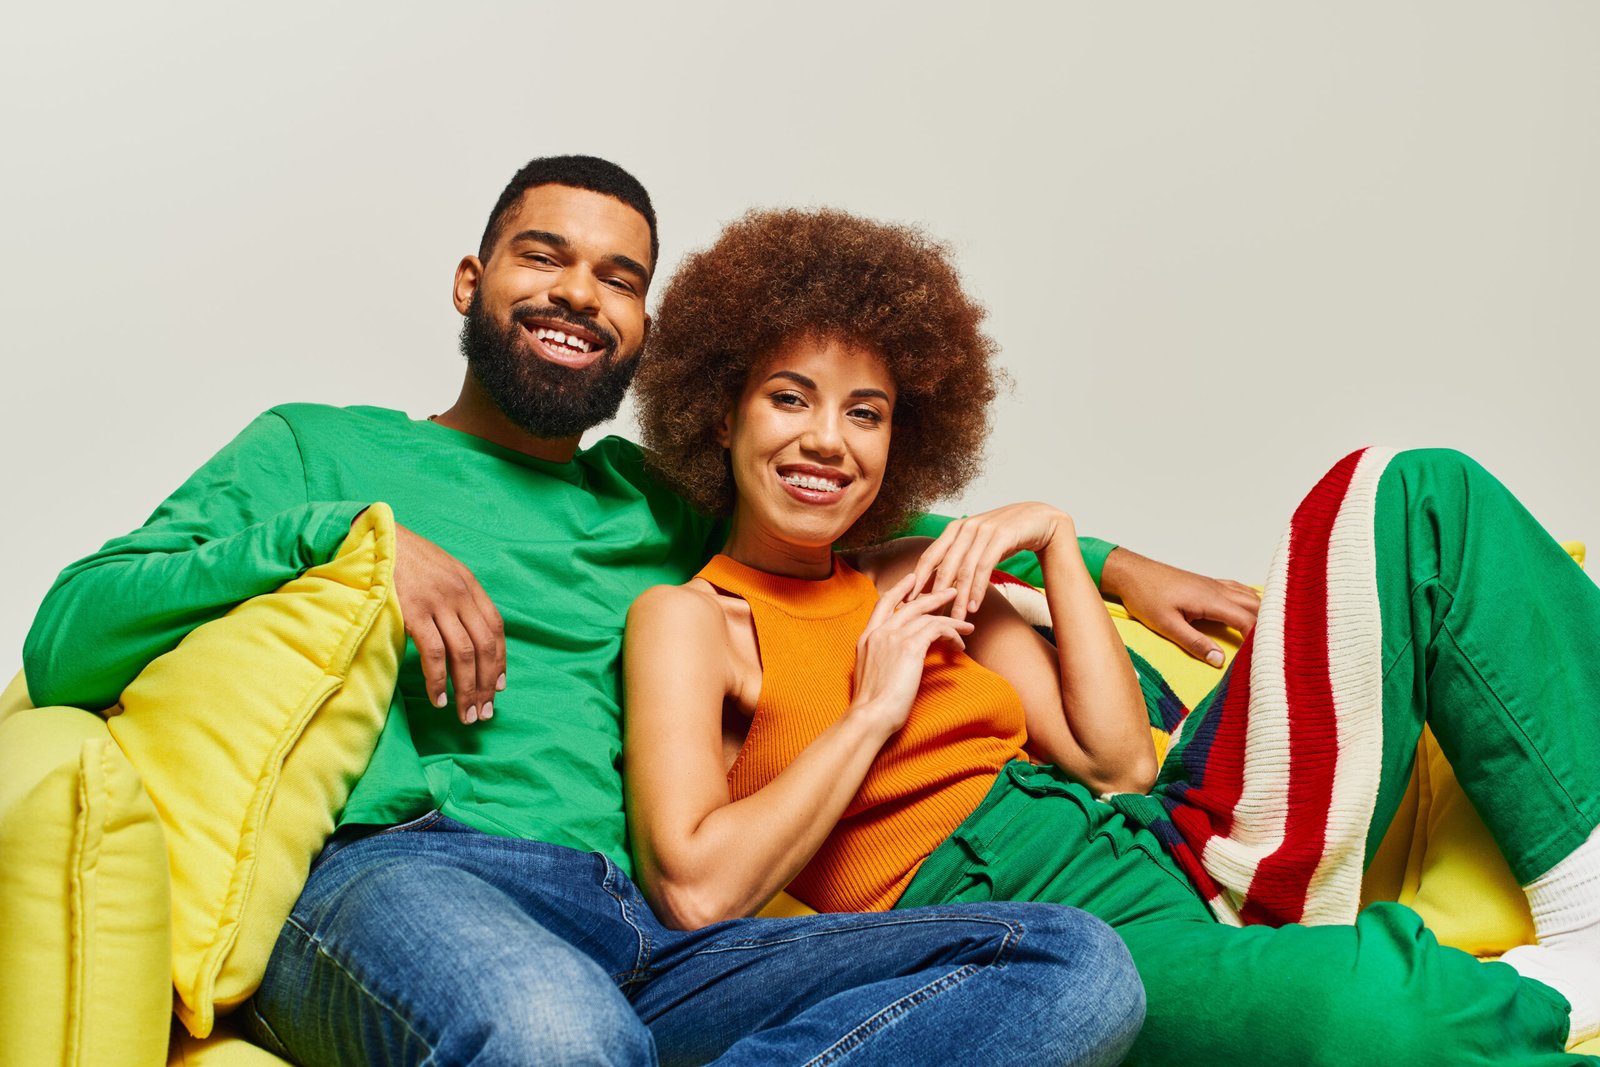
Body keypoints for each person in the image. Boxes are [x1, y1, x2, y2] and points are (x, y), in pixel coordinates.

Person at [21, 153, 1295, 1065]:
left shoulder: (660, 502)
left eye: (619, 276)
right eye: (545, 256)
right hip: (401, 877)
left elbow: (850, 516)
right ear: (470, 281)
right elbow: (66, 632)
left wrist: (1108, 557)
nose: (581, 291)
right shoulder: (319, 448)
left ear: (646, 331)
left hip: (650, 922)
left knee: (1072, 965)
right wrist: (357, 545)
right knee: (556, 1033)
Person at [624, 206, 1600, 1065]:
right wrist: (875, 708)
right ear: (720, 412)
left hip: (1178, 846)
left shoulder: (925, 576)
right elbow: (699, 890)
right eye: (790, 397)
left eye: (865, 412)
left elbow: (1121, 762)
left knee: (1413, 491)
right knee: (1380, 1019)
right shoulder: (689, 619)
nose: (828, 439)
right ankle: (1556, 993)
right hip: (1044, 944)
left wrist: (1051, 537)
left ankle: (1591, 910)